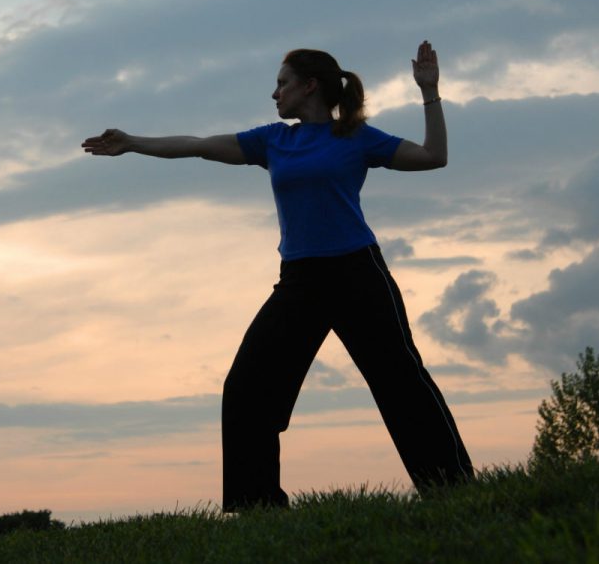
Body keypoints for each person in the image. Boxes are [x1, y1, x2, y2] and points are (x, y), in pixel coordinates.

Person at [82, 41, 473, 511]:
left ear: (309, 86)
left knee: (400, 382)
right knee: (247, 387)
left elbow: (434, 157)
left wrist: (429, 93)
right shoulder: (274, 140)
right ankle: (258, 507)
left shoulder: (357, 137)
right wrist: (133, 143)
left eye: (282, 83)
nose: (275, 94)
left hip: (357, 273)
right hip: (300, 281)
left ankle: (454, 491)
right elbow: (200, 146)